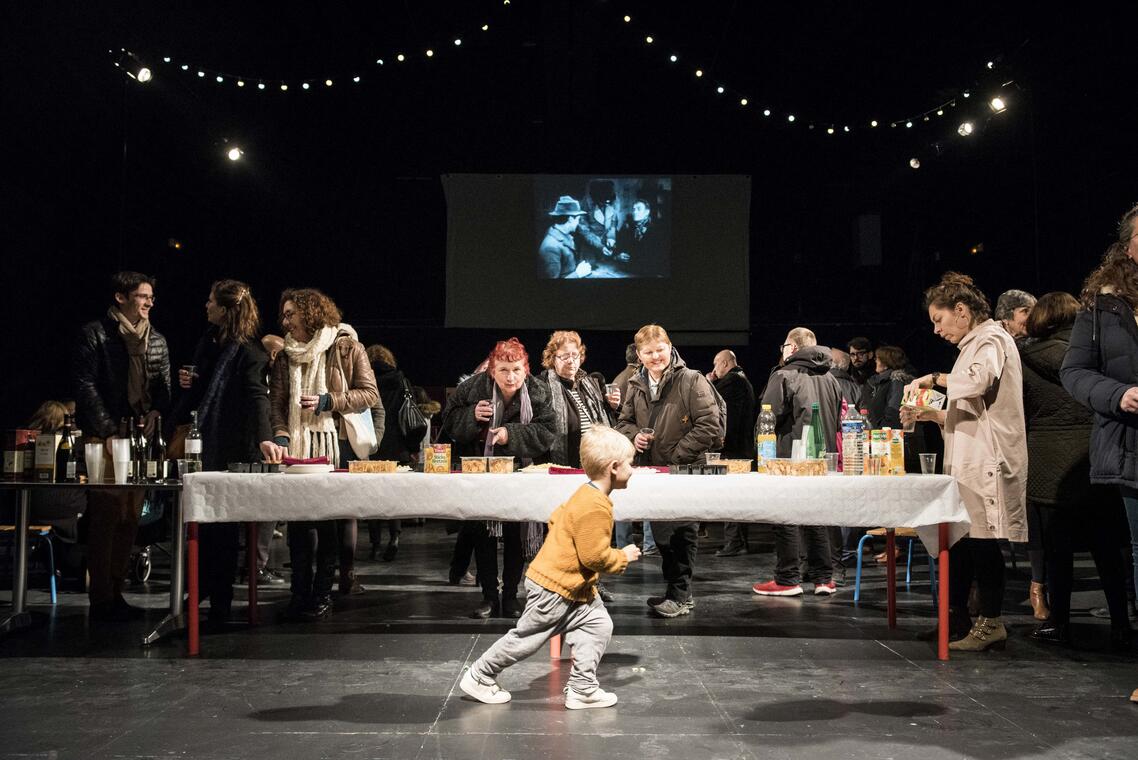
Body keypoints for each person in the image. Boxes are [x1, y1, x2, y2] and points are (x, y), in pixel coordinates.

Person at [459, 427, 641, 709]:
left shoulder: (586, 493)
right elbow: (594, 557)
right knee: (528, 638)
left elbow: (558, 518)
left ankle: (582, 687)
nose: (633, 469)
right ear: (614, 467)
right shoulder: (596, 506)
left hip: (572, 585)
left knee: (597, 624)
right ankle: (480, 675)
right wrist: (623, 557)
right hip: (555, 588)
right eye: (630, 463)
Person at [903, 272, 1027, 651]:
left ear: (961, 311)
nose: (937, 330)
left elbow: (977, 383)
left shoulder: (990, 339)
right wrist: (935, 416)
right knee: (959, 541)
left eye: (938, 320)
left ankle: (991, 623)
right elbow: (975, 409)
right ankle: (955, 619)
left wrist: (934, 378)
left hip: (987, 460)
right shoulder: (974, 344)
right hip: (970, 459)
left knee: (984, 542)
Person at [260, 288, 379, 621]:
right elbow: (278, 402)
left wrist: (329, 401)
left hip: (332, 443)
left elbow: (369, 394)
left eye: (290, 314)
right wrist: (281, 437)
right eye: (283, 315)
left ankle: (322, 593)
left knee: (327, 521)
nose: (284, 321)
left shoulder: (345, 347)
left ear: (311, 314)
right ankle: (299, 592)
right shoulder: (286, 354)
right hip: (297, 447)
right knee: (299, 522)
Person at [1019, 292, 1129, 646]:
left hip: (1048, 462)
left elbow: (1019, 413)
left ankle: (1059, 622)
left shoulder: (1023, 360)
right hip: (1097, 455)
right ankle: (1121, 624)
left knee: (1057, 551)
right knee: (1109, 548)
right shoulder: (1095, 357)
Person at [1061, 203, 1138, 686]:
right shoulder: (1103, 305)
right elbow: (1075, 372)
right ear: (1129, 246)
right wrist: (1120, 394)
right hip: (1132, 443)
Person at [173, 280, 271, 629]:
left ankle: (221, 603)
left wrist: (265, 439)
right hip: (200, 444)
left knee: (223, 528)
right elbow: (200, 390)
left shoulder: (250, 351)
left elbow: (257, 396)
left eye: (212, 301)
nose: (206, 305)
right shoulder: (208, 342)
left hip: (229, 448)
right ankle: (198, 592)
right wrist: (189, 380)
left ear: (227, 309)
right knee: (199, 524)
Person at [73, 271, 170, 622]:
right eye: (142, 296)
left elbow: (163, 386)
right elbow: (85, 387)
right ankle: (100, 597)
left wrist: (159, 409)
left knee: (131, 517)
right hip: (106, 436)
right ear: (121, 298)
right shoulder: (95, 334)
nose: (148, 303)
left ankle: (116, 592)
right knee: (105, 515)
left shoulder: (156, 339)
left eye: (150, 298)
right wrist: (109, 430)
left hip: (141, 439)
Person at [439, 337, 557, 619]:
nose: (511, 376)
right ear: (492, 369)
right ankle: (489, 596)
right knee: (484, 534)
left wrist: (510, 434)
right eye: (504, 370)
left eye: (516, 369)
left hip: (521, 472)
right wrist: (471, 416)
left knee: (516, 534)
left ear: (525, 369)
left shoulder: (538, 391)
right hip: (482, 472)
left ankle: (511, 596)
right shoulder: (473, 387)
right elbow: (449, 420)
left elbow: (548, 430)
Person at [615, 324, 721, 617]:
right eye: (648, 352)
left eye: (659, 350)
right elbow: (623, 423)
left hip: (685, 469)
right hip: (653, 471)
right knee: (662, 534)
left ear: (670, 347)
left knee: (684, 532)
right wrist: (633, 436)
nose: (655, 357)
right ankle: (676, 592)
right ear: (639, 354)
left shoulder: (691, 380)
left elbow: (710, 426)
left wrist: (677, 456)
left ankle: (680, 594)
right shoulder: (636, 383)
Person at [751, 328, 843, 597]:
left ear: (791, 348)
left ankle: (787, 578)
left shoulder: (783, 375)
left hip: (787, 458)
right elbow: (837, 421)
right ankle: (823, 578)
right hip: (821, 458)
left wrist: (761, 451)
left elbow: (768, 419)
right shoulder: (832, 379)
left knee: (785, 516)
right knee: (815, 515)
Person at [365, 344, 414, 561]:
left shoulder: (364, 380)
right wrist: (411, 448)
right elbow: (411, 414)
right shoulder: (400, 380)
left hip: (371, 443)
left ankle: (375, 543)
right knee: (393, 496)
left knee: (372, 497)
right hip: (397, 446)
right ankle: (394, 537)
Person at [707, 350, 757, 557]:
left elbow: (714, 406)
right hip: (742, 447)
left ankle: (734, 542)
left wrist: (709, 383)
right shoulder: (742, 380)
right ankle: (739, 542)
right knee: (738, 497)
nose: (714, 370)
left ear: (725, 363)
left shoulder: (732, 382)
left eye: (716, 364)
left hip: (733, 449)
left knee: (731, 497)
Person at [860, 345, 913, 430]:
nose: (875, 361)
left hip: (889, 437)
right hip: (878, 434)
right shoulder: (876, 382)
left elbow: (893, 412)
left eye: (878, 359)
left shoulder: (897, 381)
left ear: (886, 363)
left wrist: (880, 432)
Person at [538, 196, 591, 279]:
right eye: (578, 219)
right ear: (570, 219)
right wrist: (578, 274)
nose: (578, 223)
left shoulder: (562, 234)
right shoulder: (550, 247)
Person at [613, 198, 665, 277]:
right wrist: (618, 256)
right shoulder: (628, 227)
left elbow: (655, 258)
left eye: (638, 209)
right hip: (628, 271)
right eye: (633, 209)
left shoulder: (656, 229)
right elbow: (619, 246)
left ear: (647, 212)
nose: (634, 212)